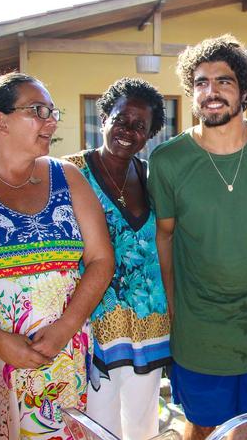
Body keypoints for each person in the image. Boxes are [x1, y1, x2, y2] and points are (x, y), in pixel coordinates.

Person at [0, 72, 114, 439]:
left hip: (63, 357)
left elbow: (101, 259)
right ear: (0, 121)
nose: (50, 121)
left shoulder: (67, 176)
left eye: (52, 112)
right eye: (37, 110)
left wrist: (63, 330)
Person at [148, 34, 247, 440]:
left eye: (224, 81)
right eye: (200, 83)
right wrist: (173, 307)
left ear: (244, 91)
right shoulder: (168, 160)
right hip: (199, 327)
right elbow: (164, 237)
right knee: (203, 426)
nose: (211, 92)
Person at [64, 77, 171, 440]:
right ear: (105, 116)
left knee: (143, 427)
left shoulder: (151, 177)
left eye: (140, 126)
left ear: (150, 133)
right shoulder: (69, 172)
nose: (128, 131)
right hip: (93, 326)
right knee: (96, 427)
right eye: (121, 119)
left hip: (150, 326)